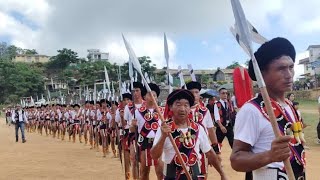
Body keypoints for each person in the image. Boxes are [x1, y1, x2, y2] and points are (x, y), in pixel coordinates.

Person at [230, 37, 306, 179]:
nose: (289, 75)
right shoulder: (251, 110)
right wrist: (270, 156)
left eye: (291, 67)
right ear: (262, 74)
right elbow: (236, 160)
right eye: (281, 69)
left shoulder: (290, 106)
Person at [151, 89, 226, 180]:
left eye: (186, 105)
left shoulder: (198, 128)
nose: (182, 109)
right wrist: (163, 136)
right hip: (172, 177)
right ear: (170, 107)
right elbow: (154, 155)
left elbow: (209, 153)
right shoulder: (164, 129)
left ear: (190, 108)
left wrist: (222, 174)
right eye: (178, 105)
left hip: (194, 176)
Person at [185, 81, 220, 177]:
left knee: (202, 175)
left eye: (197, 92)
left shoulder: (204, 111)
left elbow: (211, 130)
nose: (194, 95)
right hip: (184, 148)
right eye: (192, 92)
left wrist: (216, 150)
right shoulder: (181, 111)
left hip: (202, 148)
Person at [131, 83, 163, 180]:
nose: (152, 97)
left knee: (160, 172)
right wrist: (133, 125)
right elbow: (132, 131)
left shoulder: (162, 111)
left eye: (154, 95)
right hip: (144, 144)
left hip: (159, 144)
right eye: (149, 94)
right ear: (144, 96)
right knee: (144, 172)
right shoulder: (137, 112)